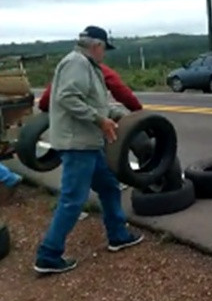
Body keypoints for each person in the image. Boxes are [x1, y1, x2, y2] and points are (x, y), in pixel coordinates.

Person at [34, 25, 143, 275]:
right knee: (73, 200)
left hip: (88, 144)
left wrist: (122, 116)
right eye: (104, 49)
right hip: (77, 144)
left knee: (108, 186)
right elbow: (68, 98)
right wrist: (100, 120)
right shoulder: (78, 63)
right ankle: (48, 254)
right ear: (97, 46)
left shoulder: (87, 65)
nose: (105, 54)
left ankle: (118, 235)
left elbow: (97, 103)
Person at [38, 63, 143, 112]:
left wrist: (44, 108)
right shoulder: (100, 69)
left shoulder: (66, 70)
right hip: (91, 118)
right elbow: (121, 92)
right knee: (122, 120)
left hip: (66, 122)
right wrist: (137, 109)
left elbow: (49, 95)